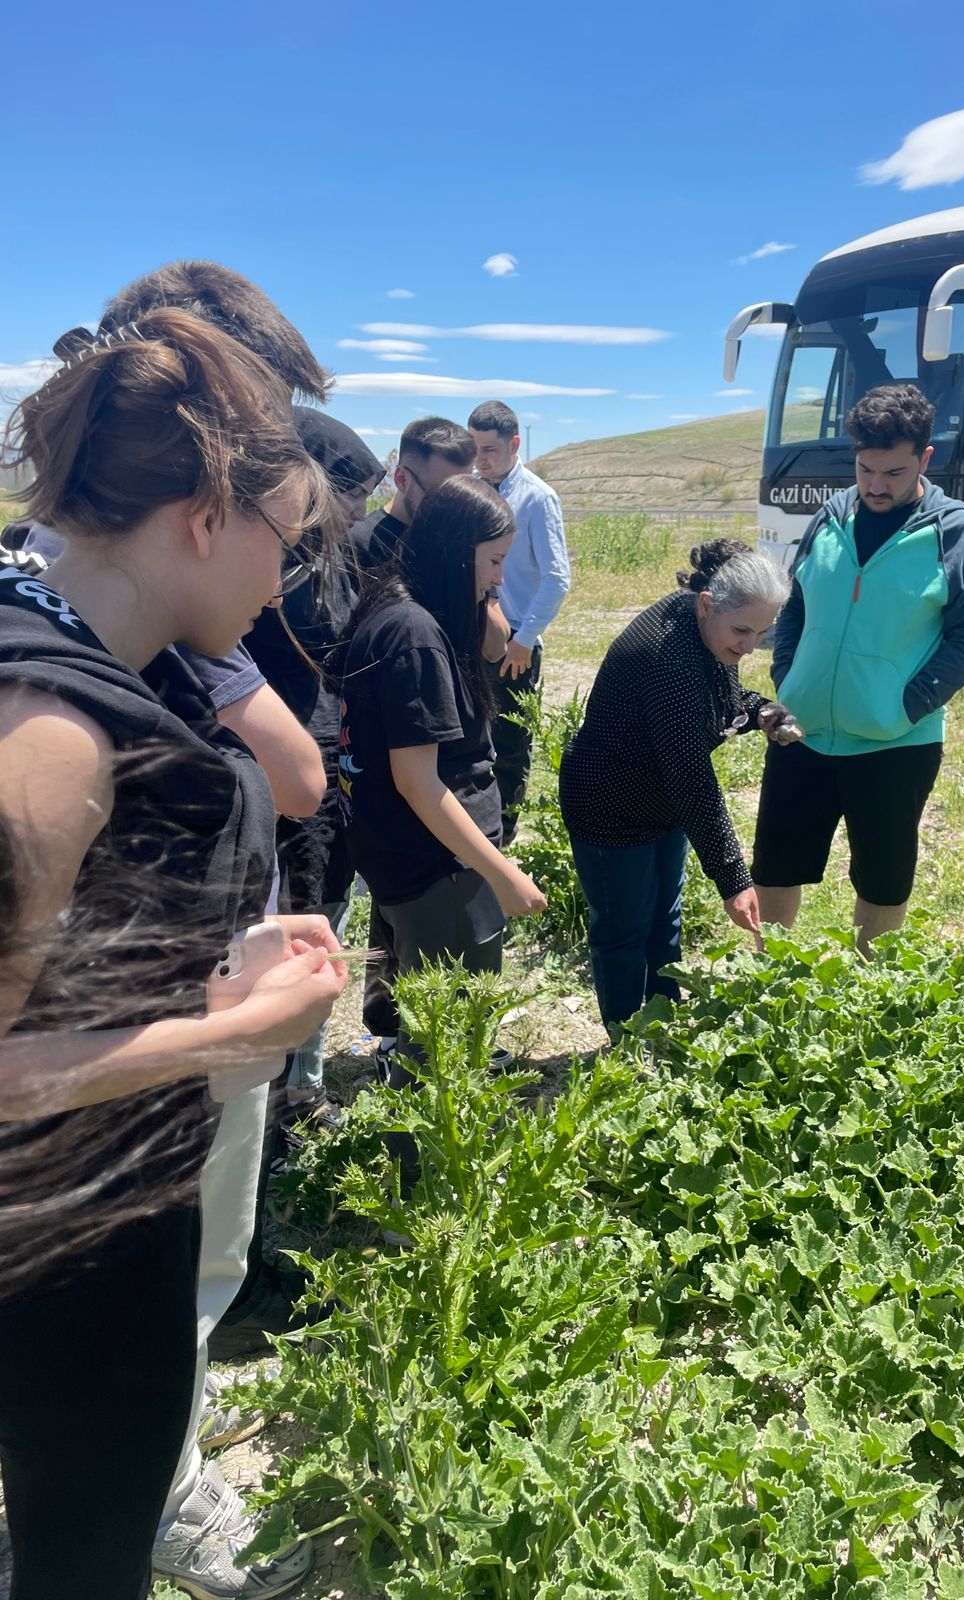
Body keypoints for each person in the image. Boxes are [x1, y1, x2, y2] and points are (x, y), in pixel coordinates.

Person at [0, 309, 348, 1600]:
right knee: (83, 1553)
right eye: (284, 540)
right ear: (205, 514)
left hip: (92, 1205)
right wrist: (229, 1037)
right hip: (65, 1241)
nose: (281, 583)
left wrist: (227, 952)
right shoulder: (51, 732)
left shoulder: (79, 650)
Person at [752, 383, 964, 952]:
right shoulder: (829, 516)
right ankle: (766, 979)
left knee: (883, 879)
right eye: (865, 469)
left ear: (925, 460)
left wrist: (906, 705)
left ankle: (868, 993)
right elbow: (795, 604)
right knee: (776, 865)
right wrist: (788, 678)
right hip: (801, 731)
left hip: (896, 742)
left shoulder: (953, 530)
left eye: (893, 472)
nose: (875, 486)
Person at [337, 476, 547, 1110]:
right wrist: (504, 873)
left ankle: (436, 1123)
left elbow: (493, 642)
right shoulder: (416, 637)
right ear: (458, 553)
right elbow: (418, 782)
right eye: (494, 560)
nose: (500, 577)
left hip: (424, 860)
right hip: (442, 866)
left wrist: (480, 589)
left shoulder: (412, 609)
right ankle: (425, 1160)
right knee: (446, 1022)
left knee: (436, 1014)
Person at [559, 540, 796, 1035]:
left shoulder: (705, 628)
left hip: (660, 801)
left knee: (663, 923)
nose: (750, 646)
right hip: (610, 804)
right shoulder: (665, 657)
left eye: (762, 632)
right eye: (742, 631)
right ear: (708, 603)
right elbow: (692, 778)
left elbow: (718, 698)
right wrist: (733, 878)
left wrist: (760, 712)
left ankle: (665, 1025)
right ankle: (626, 1043)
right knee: (624, 934)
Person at [246, 408, 384, 1131]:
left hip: (329, 759)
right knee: (298, 918)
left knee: (327, 910)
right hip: (286, 765)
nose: (363, 509)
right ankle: (281, 1094)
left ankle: (301, 1080)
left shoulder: (331, 554)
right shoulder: (282, 560)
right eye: (352, 491)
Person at [468, 400, 571, 845]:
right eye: (473, 447)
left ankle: (502, 836)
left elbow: (557, 578)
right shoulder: (471, 489)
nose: (480, 458)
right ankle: (472, 829)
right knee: (470, 736)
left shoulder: (536, 497)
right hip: (471, 632)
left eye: (489, 449)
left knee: (508, 744)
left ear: (514, 444)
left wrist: (524, 639)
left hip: (513, 641)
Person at [350, 415, 476, 577]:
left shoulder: (459, 543)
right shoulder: (355, 548)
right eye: (441, 496)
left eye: (462, 495)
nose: (453, 509)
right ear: (402, 479)